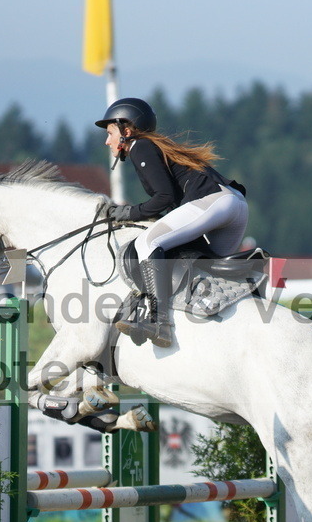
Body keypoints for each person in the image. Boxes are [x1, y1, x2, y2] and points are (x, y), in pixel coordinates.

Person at [96, 97, 249, 348]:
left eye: (110, 132)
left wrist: (126, 213)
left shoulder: (140, 146)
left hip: (214, 203)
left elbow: (163, 198)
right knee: (207, 269)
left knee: (148, 242)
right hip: (235, 205)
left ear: (127, 131)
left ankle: (159, 321)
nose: (107, 140)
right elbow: (168, 203)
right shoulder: (153, 146)